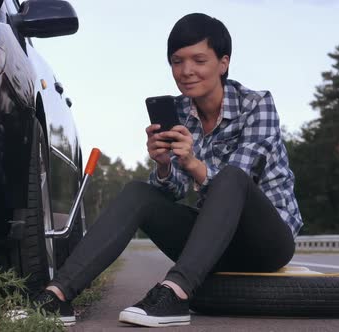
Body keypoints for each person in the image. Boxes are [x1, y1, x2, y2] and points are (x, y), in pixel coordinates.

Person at [30, 13, 303, 328]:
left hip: (267, 241)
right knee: (139, 192)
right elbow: (173, 192)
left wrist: (192, 164)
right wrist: (163, 166)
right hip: (212, 244)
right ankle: (58, 295)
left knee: (231, 177)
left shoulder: (257, 105)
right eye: (177, 61)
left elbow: (239, 181)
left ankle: (175, 294)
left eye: (198, 60)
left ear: (223, 63)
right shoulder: (178, 113)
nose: (186, 71)